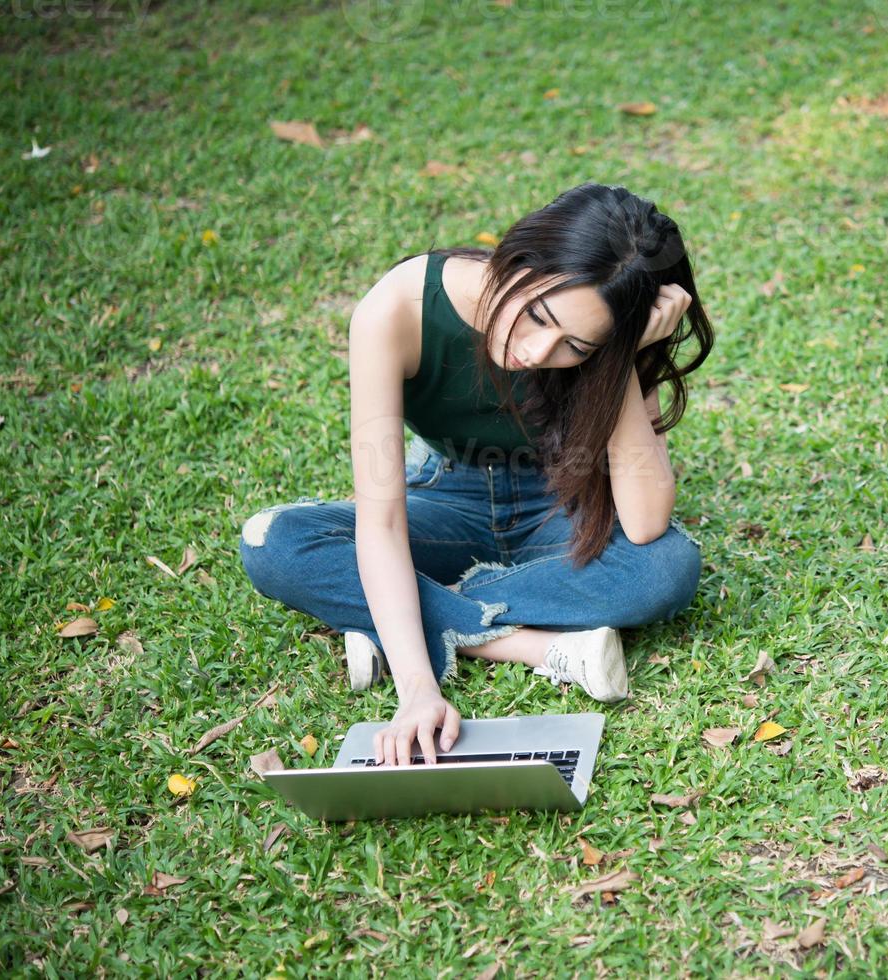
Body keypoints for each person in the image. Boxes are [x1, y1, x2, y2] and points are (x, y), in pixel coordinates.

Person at [239, 183, 714, 767]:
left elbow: (643, 525)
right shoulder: (395, 310)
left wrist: (620, 361)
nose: (539, 352)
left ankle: (385, 616)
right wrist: (418, 690)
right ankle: (528, 645)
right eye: (538, 316)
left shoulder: (610, 344)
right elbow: (382, 521)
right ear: (519, 254)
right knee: (274, 543)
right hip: (449, 496)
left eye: (576, 346)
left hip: (560, 501)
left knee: (666, 569)